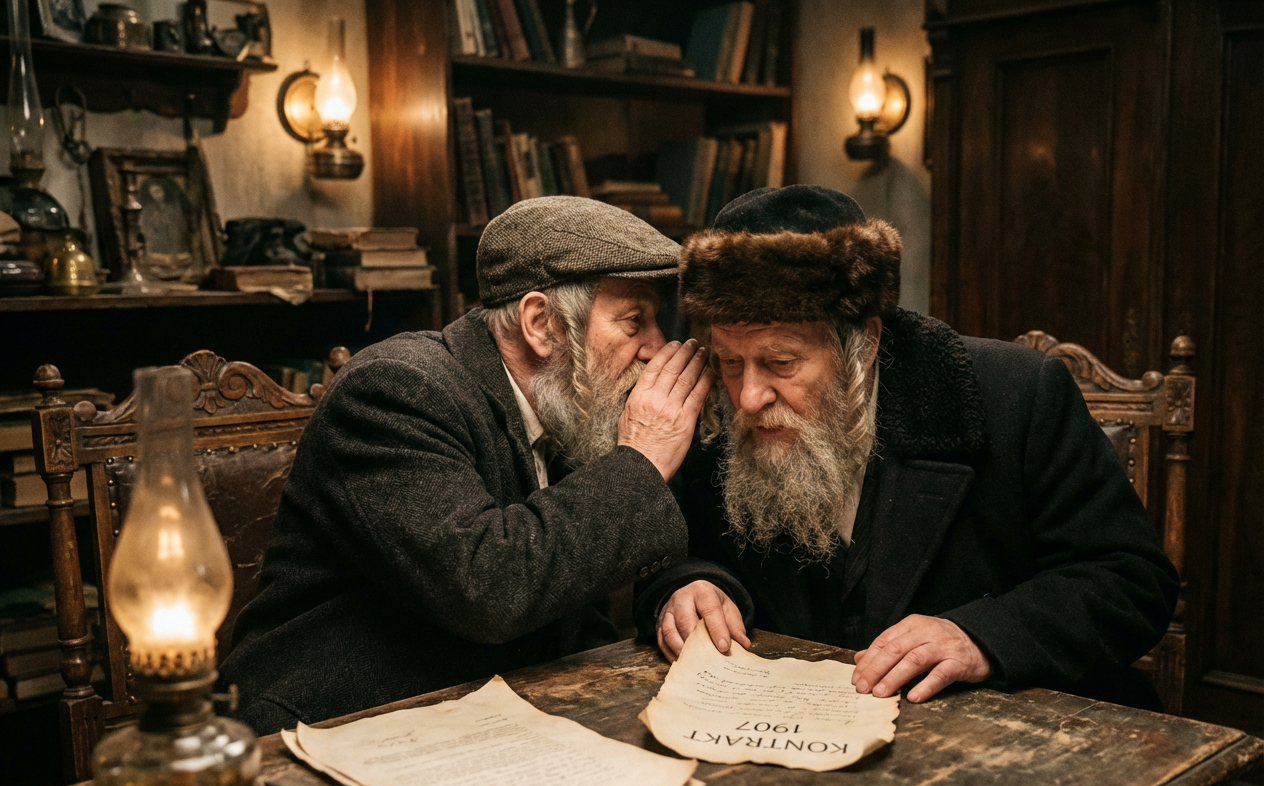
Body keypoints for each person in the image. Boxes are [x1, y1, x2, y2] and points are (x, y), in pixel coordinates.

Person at [634, 185, 1179, 709]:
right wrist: (686, 586)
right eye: (732, 361)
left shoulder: (1015, 394)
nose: (749, 396)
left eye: (781, 363)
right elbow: (672, 549)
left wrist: (981, 636)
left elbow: (1130, 582)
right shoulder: (714, 409)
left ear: (864, 344)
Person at [222, 197, 713, 733]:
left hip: (479, 717)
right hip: (328, 726)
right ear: (541, 325)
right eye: (634, 321)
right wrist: (641, 459)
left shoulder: (568, 405)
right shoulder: (395, 389)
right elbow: (488, 588)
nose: (656, 348)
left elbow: (572, 608)